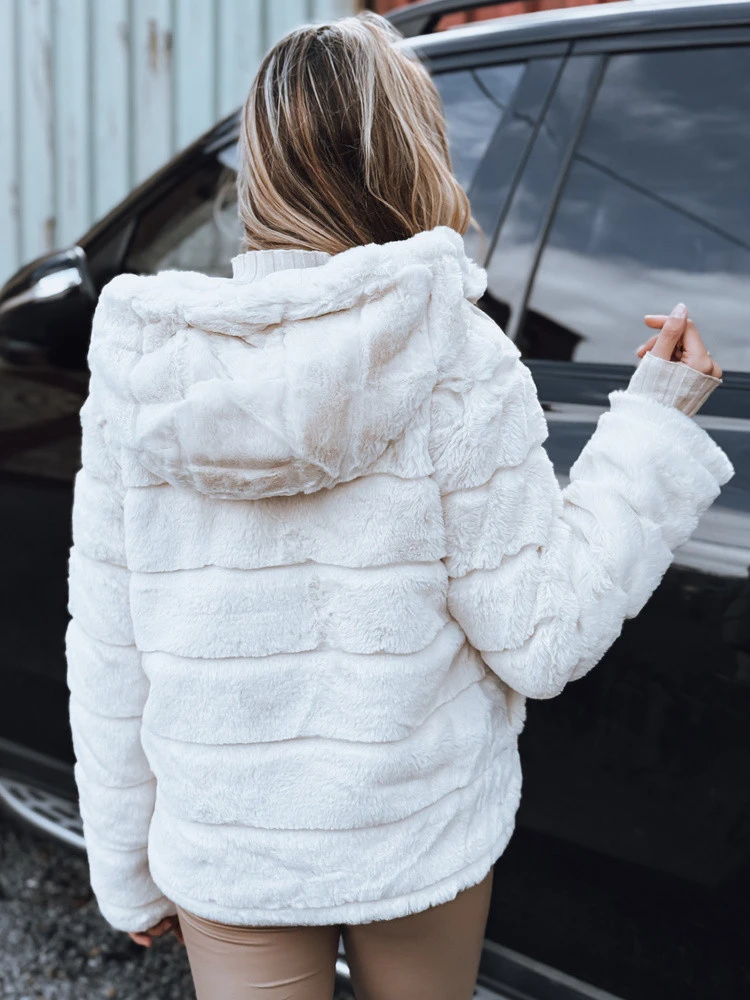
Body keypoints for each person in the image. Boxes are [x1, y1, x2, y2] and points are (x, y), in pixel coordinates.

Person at [64, 11, 733, 1000]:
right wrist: (654, 423)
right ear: (411, 154)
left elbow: (109, 651)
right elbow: (542, 635)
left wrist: (125, 865)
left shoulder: (147, 369)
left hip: (227, 841)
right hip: (413, 832)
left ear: (261, 167)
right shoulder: (453, 355)